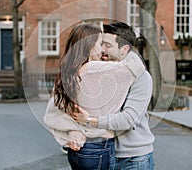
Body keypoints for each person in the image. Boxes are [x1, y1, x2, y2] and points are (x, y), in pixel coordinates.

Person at [43, 23, 145, 170]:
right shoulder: (95, 69)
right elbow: (136, 66)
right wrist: (127, 47)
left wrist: (73, 130)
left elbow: (53, 113)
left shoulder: (67, 71)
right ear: (89, 46)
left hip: (78, 151)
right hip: (99, 148)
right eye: (100, 43)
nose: (103, 48)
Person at [72, 22, 155, 170]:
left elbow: (128, 119)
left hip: (133, 158)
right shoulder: (101, 72)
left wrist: (91, 121)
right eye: (101, 44)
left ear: (124, 49)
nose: (102, 50)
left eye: (108, 46)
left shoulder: (141, 78)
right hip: (106, 154)